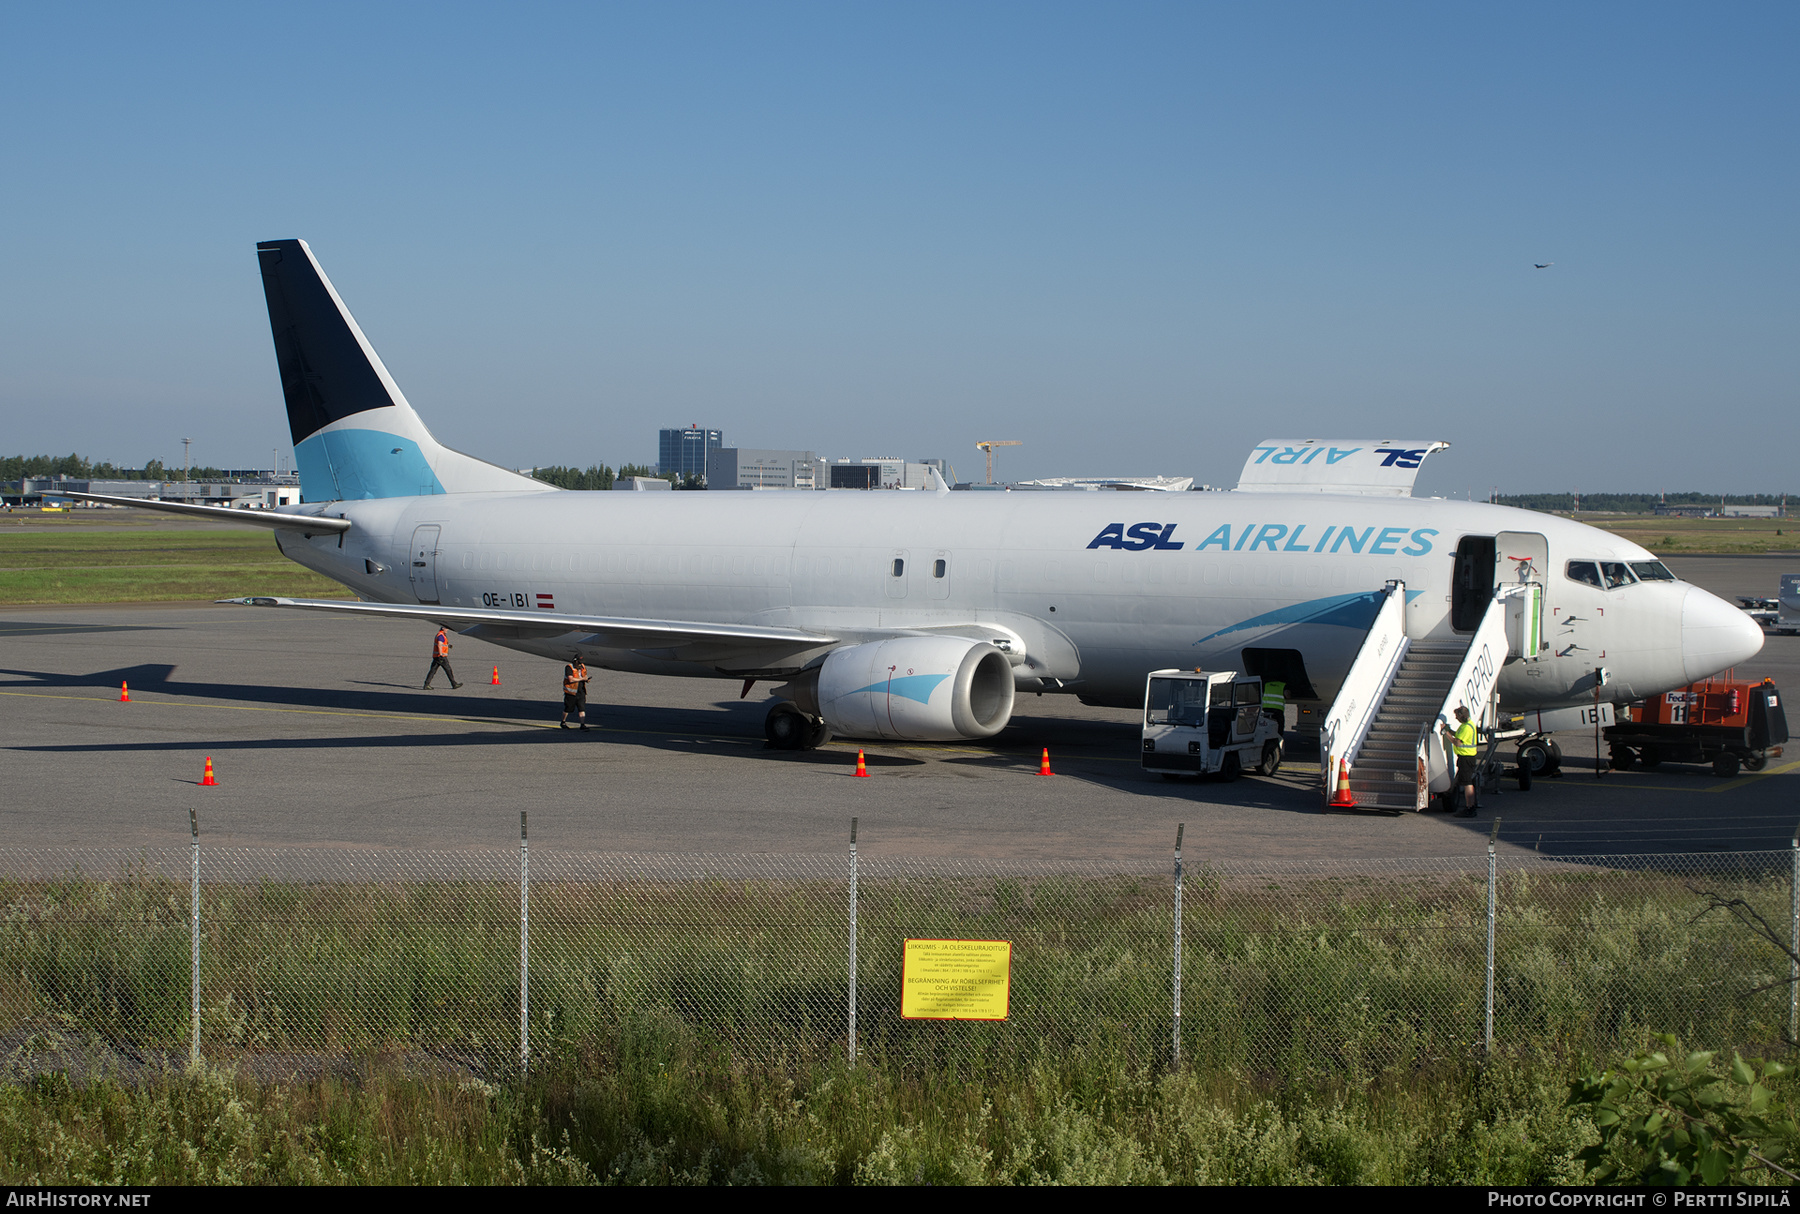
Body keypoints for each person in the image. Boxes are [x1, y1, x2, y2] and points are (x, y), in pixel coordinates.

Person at [1440, 705, 1479, 816]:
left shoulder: (1466, 728)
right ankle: (1470, 807)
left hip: (1466, 758)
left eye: (1457, 716)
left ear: (1462, 715)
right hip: (1467, 758)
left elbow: (1457, 742)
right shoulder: (1467, 725)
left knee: (1467, 784)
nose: (1456, 718)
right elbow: (1458, 735)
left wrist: (1445, 733)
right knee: (1467, 782)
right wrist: (1449, 730)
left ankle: (1470, 808)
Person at [560, 655, 591, 731]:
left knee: (582, 708)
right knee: (568, 708)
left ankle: (582, 724)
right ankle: (563, 722)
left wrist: (586, 679)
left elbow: (584, 675)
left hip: (581, 691)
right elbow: (571, 679)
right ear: (575, 661)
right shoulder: (569, 668)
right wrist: (582, 679)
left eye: (581, 663)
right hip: (571, 692)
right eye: (579, 663)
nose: (580, 665)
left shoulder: (582, 667)